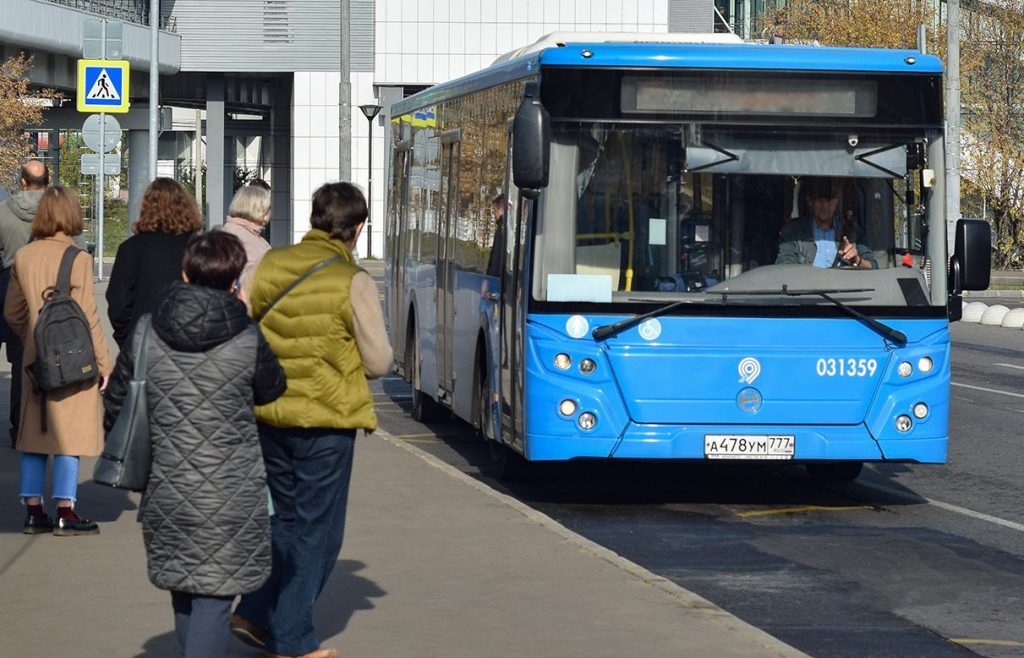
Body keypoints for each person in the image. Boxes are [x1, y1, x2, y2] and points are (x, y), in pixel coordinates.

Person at [104, 231, 286, 658]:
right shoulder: (246, 336)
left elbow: (117, 401)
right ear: (234, 281)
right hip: (230, 489)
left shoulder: (148, 331)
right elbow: (273, 388)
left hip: (165, 485)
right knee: (213, 596)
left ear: (184, 273)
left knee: (186, 588)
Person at [230, 182, 392, 658]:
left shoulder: (272, 263)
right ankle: (293, 638)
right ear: (358, 228)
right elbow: (379, 360)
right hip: (326, 419)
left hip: (270, 413)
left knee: (284, 523)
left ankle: (255, 613)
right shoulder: (353, 279)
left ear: (314, 218)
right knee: (320, 530)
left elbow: (250, 321)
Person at [4, 185, 113, 535]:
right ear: (70, 214)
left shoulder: (23, 256)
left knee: (35, 431)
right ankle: (66, 509)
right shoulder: (78, 259)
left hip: (35, 357)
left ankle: (33, 509)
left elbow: (12, 312)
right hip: (73, 358)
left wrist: (32, 338)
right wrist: (103, 363)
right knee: (71, 431)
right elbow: (88, 316)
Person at [106, 177, 203, 350]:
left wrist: (126, 339)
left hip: (144, 343)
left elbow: (118, 301)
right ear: (185, 206)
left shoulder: (130, 249)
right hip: (190, 341)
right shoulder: (199, 246)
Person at [0, 160, 48, 447]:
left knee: (19, 360)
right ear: (47, 183)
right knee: (48, 358)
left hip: (9, 288)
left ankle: (17, 425)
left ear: (21, 181)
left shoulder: (3, 212)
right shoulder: (56, 211)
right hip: (49, 292)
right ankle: (42, 426)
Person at [776, 177, 877, 269]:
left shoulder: (852, 231)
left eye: (829, 200)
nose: (824, 206)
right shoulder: (794, 232)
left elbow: (874, 267)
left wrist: (857, 260)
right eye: (819, 200)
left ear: (837, 200)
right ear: (810, 201)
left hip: (843, 287)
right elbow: (784, 269)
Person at [221, 184, 272, 294]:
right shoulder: (237, 236)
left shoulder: (248, 233)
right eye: (267, 209)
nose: (270, 214)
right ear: (257, 210)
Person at [485, 192, 506, 278]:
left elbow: (496, 257)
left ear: (500, 210)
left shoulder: (502, 227)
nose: (494, 215)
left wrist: (490, 278)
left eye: (495, 210)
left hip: (496, 279)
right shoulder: (507, 226)